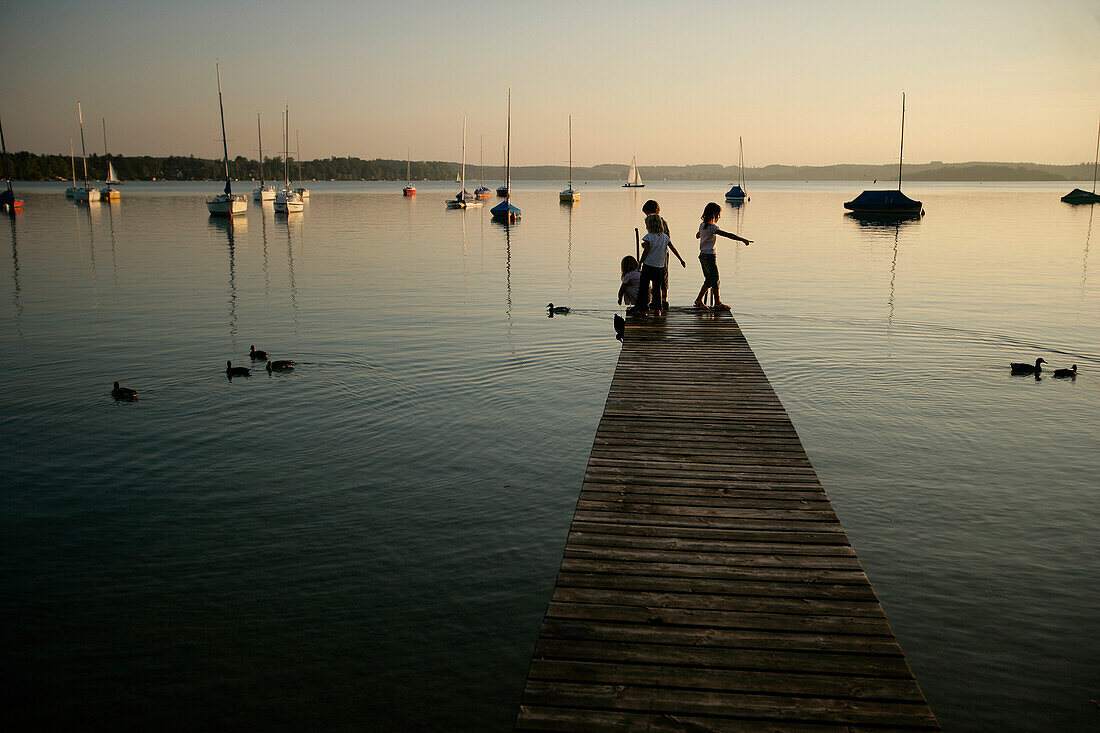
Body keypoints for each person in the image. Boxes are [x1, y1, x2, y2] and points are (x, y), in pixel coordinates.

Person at [694, 202, 752, 311]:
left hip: (702, 255)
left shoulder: (702, 225)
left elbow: (698, 236)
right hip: (710, 256)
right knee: (715, 280)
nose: (719, 217)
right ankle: (717, 303)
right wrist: (742, 239)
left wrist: (702, 234)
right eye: (719, 215)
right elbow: (728, 235)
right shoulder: (712, 228)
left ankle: (698, 301)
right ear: (714, 215)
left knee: (708, 280)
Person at [628, 215, 685, 316]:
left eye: (646, 225)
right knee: (657, 288)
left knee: (644, 288)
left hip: (648, 266)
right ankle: (658, 309)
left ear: (650, 226)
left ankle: (643, 309)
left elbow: (646, 251)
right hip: (659, 267)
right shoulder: (665, 237)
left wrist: (640, 262)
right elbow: (673, 248)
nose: (646, 227)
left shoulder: (648, 237)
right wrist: (681, 260)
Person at [641, 200, 672, 309]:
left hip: (661, 254)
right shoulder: (656, 221)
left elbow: (666, 238)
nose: (647, 217)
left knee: (662, 277)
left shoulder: (661, 222)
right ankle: (656, 300)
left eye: (648, 214)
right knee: (657, 278)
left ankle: (663, 300)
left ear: (655, 211)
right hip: (655, 253)